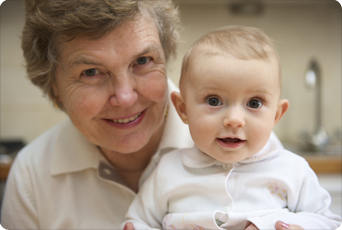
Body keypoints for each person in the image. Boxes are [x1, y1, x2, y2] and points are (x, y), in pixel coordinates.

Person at [0, 0, 306, 229]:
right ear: (54, 88)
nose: (125, 96)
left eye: (143, 60)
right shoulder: (32, 178)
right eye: (91, 71)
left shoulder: (242, 140)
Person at [123, 26, 342, 230]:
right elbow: (137, 221)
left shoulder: (293, 171)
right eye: (214, 101)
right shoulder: (167, 170)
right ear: (183, 109)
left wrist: (276, 224)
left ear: (276, 115)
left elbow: (327, 221)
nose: (234, 120)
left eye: (254, 103)